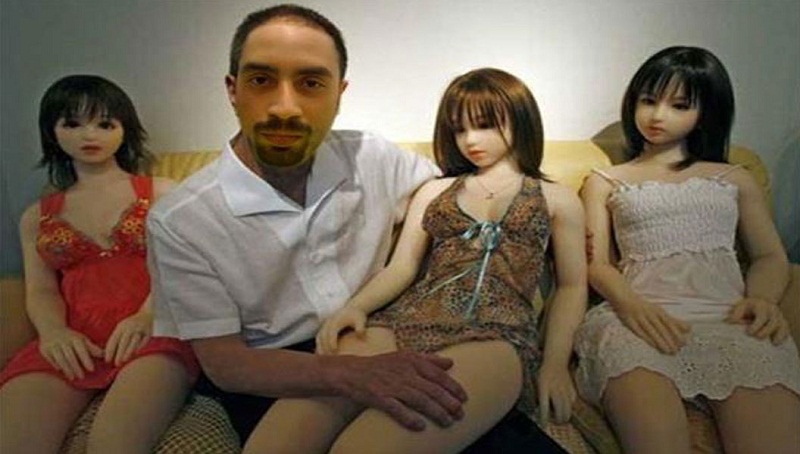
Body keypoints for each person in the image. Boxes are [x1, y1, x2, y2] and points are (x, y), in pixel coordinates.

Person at [148, 5, 572, 452]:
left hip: (397, 335)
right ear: (232, 89)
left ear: (339, 93)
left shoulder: (373, 158)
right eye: (261, 79)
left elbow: (455, 201)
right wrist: (357, 372)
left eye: (311, 83)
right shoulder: (181, 220)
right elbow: (227, 366)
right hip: (278, 371)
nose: (284, 107)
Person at [246, 67, 587, 453]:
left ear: (520, 119)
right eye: (459, 129)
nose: (470, 140)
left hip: (495, 333)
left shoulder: (558, 199)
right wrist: (355, 307)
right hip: (406, 319)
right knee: (287, 428)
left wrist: (555, 364)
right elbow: (402, 268)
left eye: (485, 125)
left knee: (365, 448)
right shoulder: (434, 191)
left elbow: (572, 286)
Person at [575, 46, 800, 454]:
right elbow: (596, 264)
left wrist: (763, 299)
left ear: (706, 111)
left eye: (679, 105)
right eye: (648, 100)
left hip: (729, 318)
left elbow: (770, 255)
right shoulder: (605, 180)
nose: (657, 115)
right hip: (638, 321)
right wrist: (630, 305)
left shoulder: (734, 177)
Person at [0, 75, 198, 454]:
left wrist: (147, 315)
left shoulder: (162, 191)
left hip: (154, 330)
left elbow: (181, 268)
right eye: (73, 123)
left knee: (113, 444)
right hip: (74, 338)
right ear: (52, 131)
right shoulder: (36, 216)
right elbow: (40, 290)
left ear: (125, 129)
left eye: (105, 123)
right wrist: (54, 333)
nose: (89, 135)